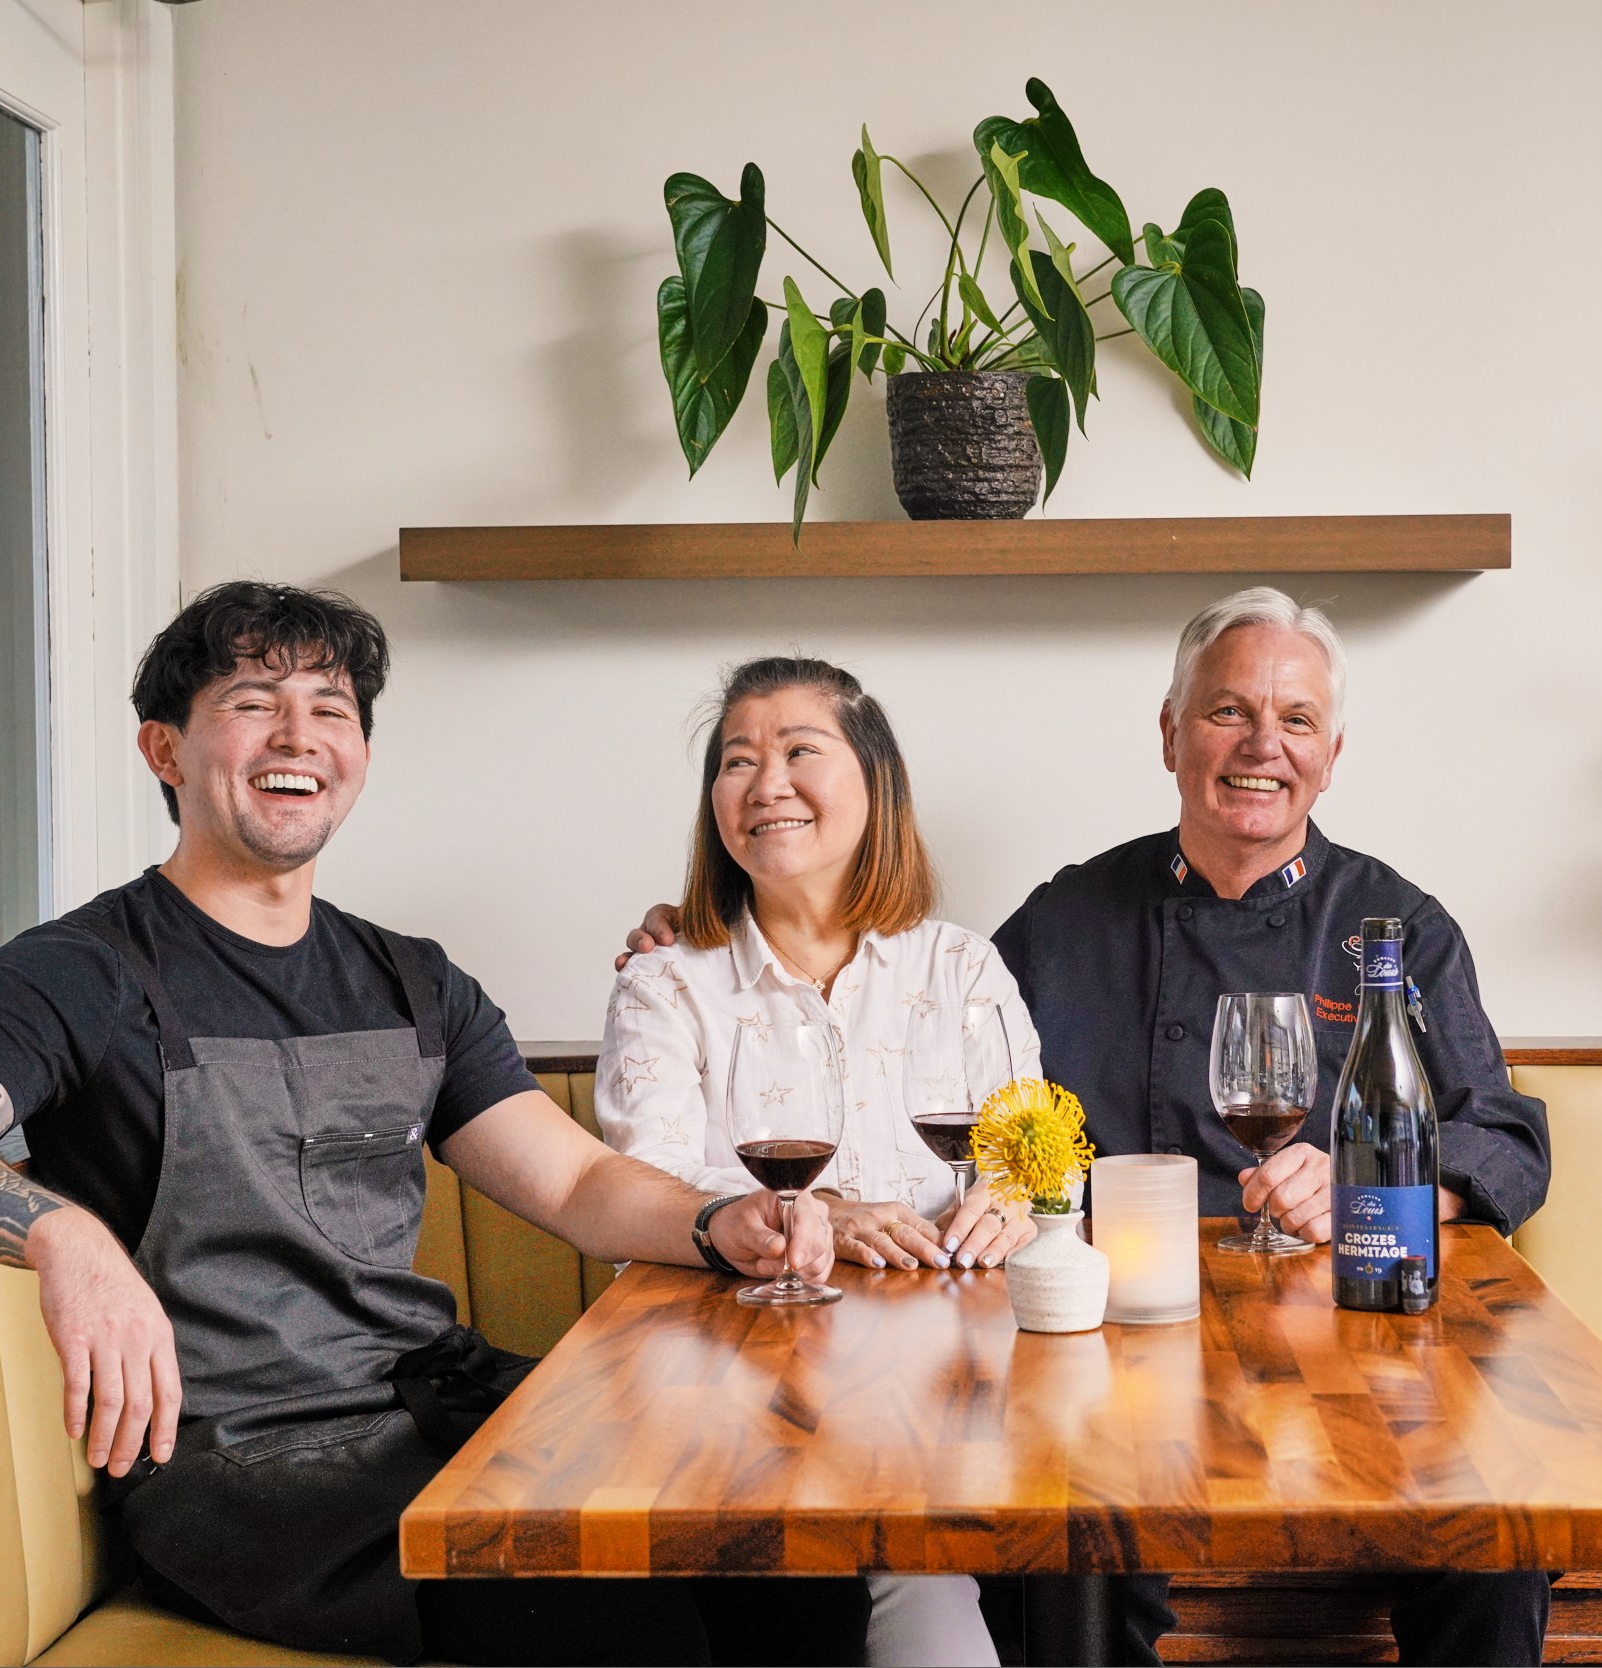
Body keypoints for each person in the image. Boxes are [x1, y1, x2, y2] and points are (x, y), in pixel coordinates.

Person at [0, 581, 871, 1668]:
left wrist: (720, 1221)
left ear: (361, 755)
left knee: (791, 1542)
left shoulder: (411, 979)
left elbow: (573, 1187)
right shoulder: (83, 970)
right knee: (616, 1619)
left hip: (438, 1410)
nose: (300, 736)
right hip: (248, 1468)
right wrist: (65, 1238)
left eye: (332, 709)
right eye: (252, 701)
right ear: (165, 750)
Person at [621, 589, 1553, 1666]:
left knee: (1498, 1541)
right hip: (1113, 1356)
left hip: (1342, 1345)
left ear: (1332, 752)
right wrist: (694, 934)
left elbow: (1507, 1139)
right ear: (1169, 732)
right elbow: (932, 1040)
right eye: (1226, 713)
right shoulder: (1066, 920)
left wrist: (1375, 1197)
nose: (1262, 747)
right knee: (1068, 1553)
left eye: (1295, 721)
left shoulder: (1394, 928)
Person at [598, 655, 1042, 1668]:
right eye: (736, 761)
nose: (767, 784)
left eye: (802, 751)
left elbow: (1028, 1157)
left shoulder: (962, 968)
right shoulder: (668, 985)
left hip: (949, 1388)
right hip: (736, 1391)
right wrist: (819, 1215)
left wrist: (1017, 1200)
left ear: (874, 783)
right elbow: (644, 1190)